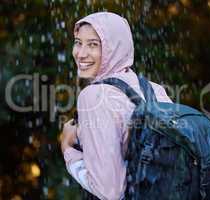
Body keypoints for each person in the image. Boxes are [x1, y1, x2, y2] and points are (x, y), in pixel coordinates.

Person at [60, 12, 172, 200]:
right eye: (78, 42)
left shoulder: (94, 96)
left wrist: (68, 149)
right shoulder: (154, 89)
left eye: (93, 45)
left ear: (114, 48)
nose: (81, 53)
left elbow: (110, 192)